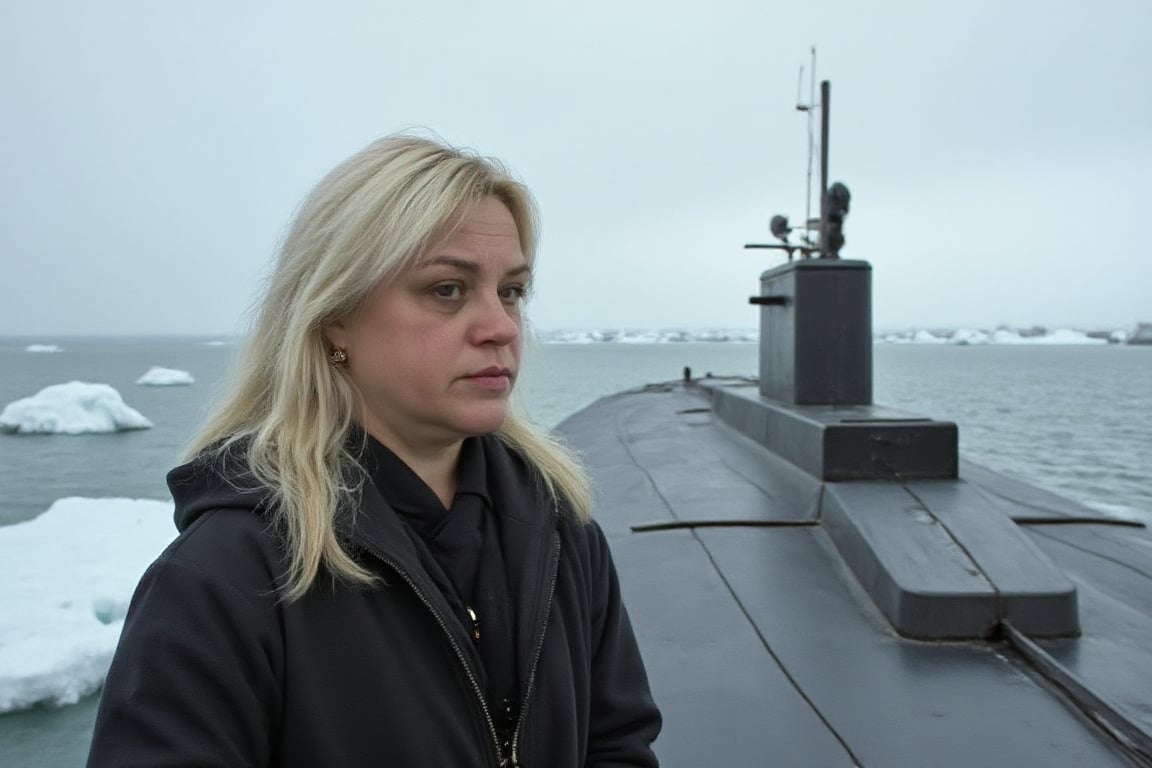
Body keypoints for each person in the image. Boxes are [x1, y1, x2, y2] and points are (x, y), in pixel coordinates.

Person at [86, 134, 662, 767]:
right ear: (335, 315)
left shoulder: (561, 534)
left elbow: (617, 746)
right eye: (447, 289)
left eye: (512, 292)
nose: (500, 325)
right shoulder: (227, 578)